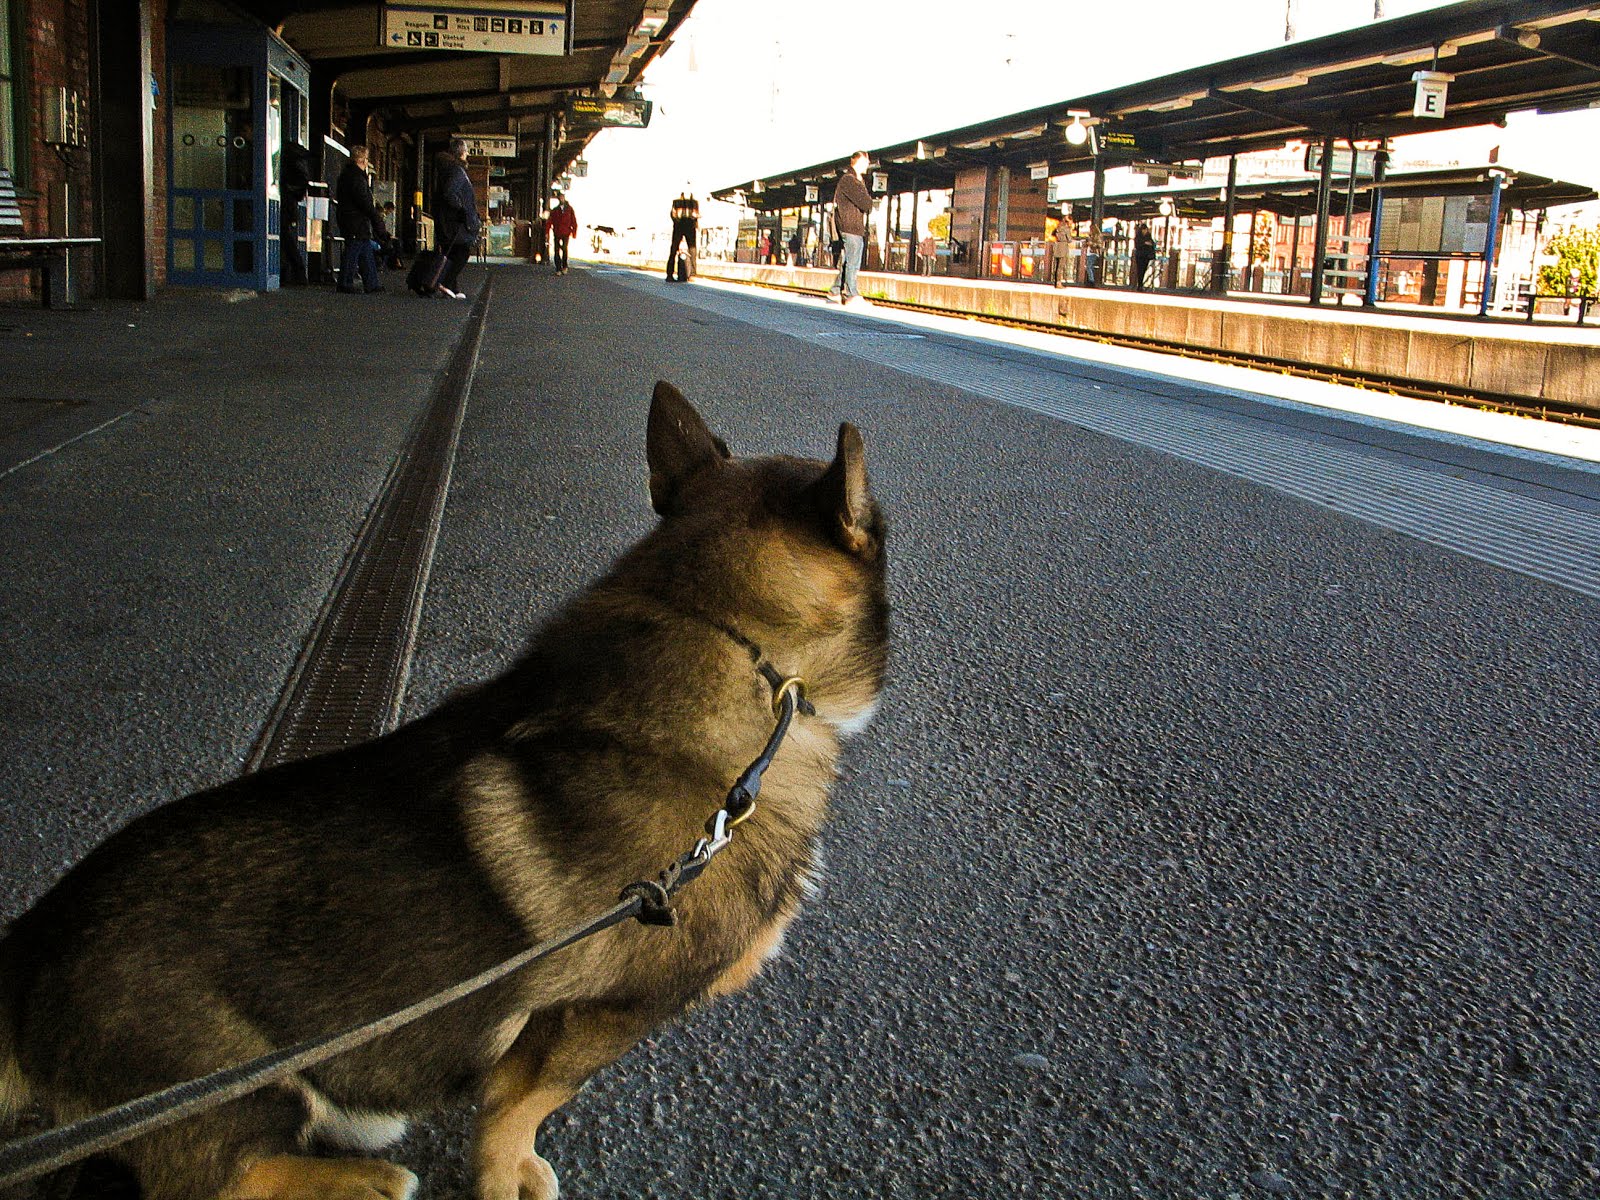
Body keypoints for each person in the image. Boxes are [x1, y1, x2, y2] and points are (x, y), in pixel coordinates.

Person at [425, 138, 480, 299]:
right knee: (462, 252)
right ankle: (445, 282)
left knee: (451, 253)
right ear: (462, 153)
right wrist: (461, 209)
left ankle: (452, 288)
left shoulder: (445, 170)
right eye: (466, 151)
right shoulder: (457, 171)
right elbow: (450, 193)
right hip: (455, 221)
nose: (468, 154)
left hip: (445, 220)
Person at [335, 145, 386, 294]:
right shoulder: (356, 178)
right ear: (362, 160)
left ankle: (372, 283)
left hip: (351, 218)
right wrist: (375, 217)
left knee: (365, 250)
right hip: (355, 220)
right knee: (353, 250)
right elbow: (363, 201)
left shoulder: (347, 175)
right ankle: (345, 283)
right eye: (366, 158)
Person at [827, 150, 873, 306]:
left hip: (852, 226)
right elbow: (866, 204)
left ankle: (834, 291)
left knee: (848, 260)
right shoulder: (849, 180)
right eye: (866, 161)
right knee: (853, 261)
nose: (868, 164)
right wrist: (867, 198)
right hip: (850, 226)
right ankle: (851, 294)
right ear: (859, 162)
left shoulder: (856, 180)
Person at [278, 139, 310, 286]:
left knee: (286, 240)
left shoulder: (286, 161)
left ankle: (293, 273)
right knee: (287, 240)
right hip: (289, 204)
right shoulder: (298, 161)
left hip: (284, 203)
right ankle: (294, 273)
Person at [667, 190, 698, 281]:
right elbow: (673, 214)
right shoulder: (680, 202)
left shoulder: (693, 202)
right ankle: (671, 274)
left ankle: (671, 274)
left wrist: (678, 222)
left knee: (691, 250)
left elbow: (673, 214)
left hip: (684, 226)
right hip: (684, 226)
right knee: (679, 250)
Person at [550, 194, 577, 275]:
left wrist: (574, 232)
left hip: (566, 232)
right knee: (556, 250)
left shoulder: (569, 209)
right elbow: (550, 220)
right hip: (557, 232)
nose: (561, 199)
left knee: (564, 248)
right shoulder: (555, 210)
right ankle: (558, 268)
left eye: (562, 198)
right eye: (560, 198)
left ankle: (564, 266)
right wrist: (547, 232)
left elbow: (573, 221)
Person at [1133, 224, 1157, 291]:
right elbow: (1137, 245)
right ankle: (1140, 285)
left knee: (1143, 270)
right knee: (1140, 270)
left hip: (1146, 256)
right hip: (1140, 256)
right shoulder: (1138, 237)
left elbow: (1152, 244)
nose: (1145, 231)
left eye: (1145, 230)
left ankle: (1140, 284)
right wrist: (1144, 243)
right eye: (1143, 230)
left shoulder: (1148, 236)